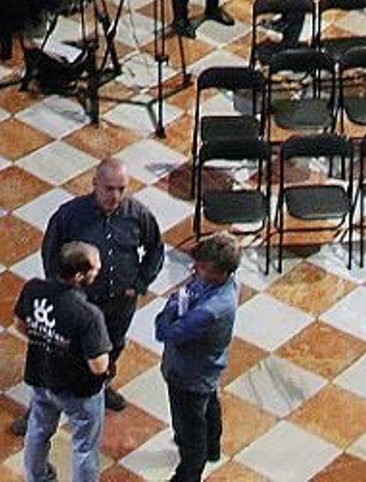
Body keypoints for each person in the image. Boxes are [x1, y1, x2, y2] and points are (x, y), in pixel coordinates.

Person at [39, 159, 163, 412]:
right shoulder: (69, 216)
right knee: (65, 351)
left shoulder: (137, 214)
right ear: (95, 183)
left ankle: (100, 387)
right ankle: (48, 404)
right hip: (81, 303)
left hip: (120, 301)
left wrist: (139, 283)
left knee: (112, 346)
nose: (115, 196)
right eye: (109, 188)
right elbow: (51, 255)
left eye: (121, 189)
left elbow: (155, 249)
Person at [13, 241, 111, 482]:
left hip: (42, 376)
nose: (98, 271)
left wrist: (47, 341)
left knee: (37, 431)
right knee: (84, 447)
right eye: (95, 269)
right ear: (79, 275)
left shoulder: (34, 288)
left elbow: (20, 324)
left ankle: (37, 477)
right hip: (79, 391)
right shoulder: (88, 315)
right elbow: (98, 366)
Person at [156, 230, 241, 482]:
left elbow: (166, 332)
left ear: (222, 271)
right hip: (207, 368)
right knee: (209, 407)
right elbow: (192, 288)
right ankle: (212, 448)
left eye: (203, 267)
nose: (195, 270)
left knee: (190, 430)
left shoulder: (212, 309)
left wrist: (170, 308)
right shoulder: (224, 283)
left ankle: (188, 475)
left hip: (189, 375)